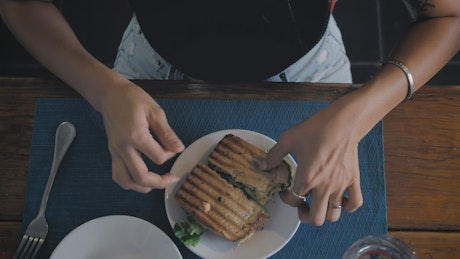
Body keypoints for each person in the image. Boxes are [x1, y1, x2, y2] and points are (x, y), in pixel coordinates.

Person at [1, 0, 459, 226]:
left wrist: (356, 115)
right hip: (146, 67)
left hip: (310, 70)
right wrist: (101, 89)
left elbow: (447, 15)